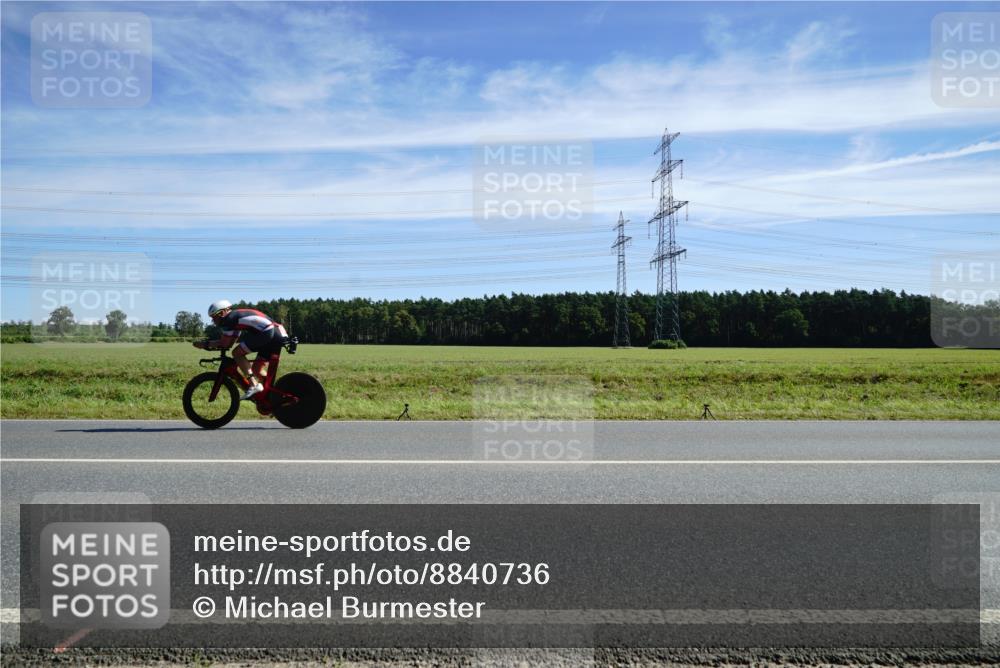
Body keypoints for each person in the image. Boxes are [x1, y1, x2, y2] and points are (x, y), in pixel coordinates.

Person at [194, 300, 288, 399]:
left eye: (214, 317)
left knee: (237, 353)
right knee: (257, 370)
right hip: (276, 333)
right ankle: (272, 396)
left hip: (268, 332)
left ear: (221, 313)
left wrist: (205, 344)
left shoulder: (229, 319)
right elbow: (229, 343)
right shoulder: (235, 318)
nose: (213, 321)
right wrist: (211, 345)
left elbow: (224, 343)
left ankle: (254, 384)